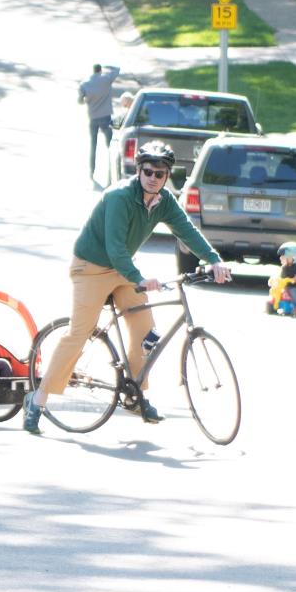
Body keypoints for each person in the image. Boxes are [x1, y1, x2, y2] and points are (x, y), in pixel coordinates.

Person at [24, 141, 229, 434]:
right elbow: (115, 247)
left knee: (146, 333)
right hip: (91, 268)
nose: (153, 178)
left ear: (167, 176)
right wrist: (139, 279)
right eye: (148, 171)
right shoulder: (120, 197)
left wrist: (214, 260)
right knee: (80, 332)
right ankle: (37, 399)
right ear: (138, 170)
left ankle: (134, 395)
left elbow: (187, 231)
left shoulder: (164, 201)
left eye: (160, 174)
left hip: (123, 270)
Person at [78, 62, 122, 181]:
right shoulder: (106, 79)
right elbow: (117, 69)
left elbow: (80, 101)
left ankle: (92, 171)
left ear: (93, 71)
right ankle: (111, 171)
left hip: (93, 118)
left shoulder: (85, 84)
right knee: (110, 146)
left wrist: (88, 100)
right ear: (100, 70)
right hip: (105, 117)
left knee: (93, 145)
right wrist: (109, 66)